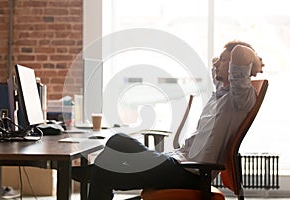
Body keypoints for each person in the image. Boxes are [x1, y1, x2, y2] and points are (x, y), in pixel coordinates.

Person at [72, 40, 264, 200]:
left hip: (191, 174)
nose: (215, 64)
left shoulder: (240, 99)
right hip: (178, 165)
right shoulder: (219, 96)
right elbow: (218, 61)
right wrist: (221, 60)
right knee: (103, 174)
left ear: (235, 69)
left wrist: (253, 61)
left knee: (118, 140)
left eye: (224, 61)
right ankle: (95, 170)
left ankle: (92, 169)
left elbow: (240, 53)